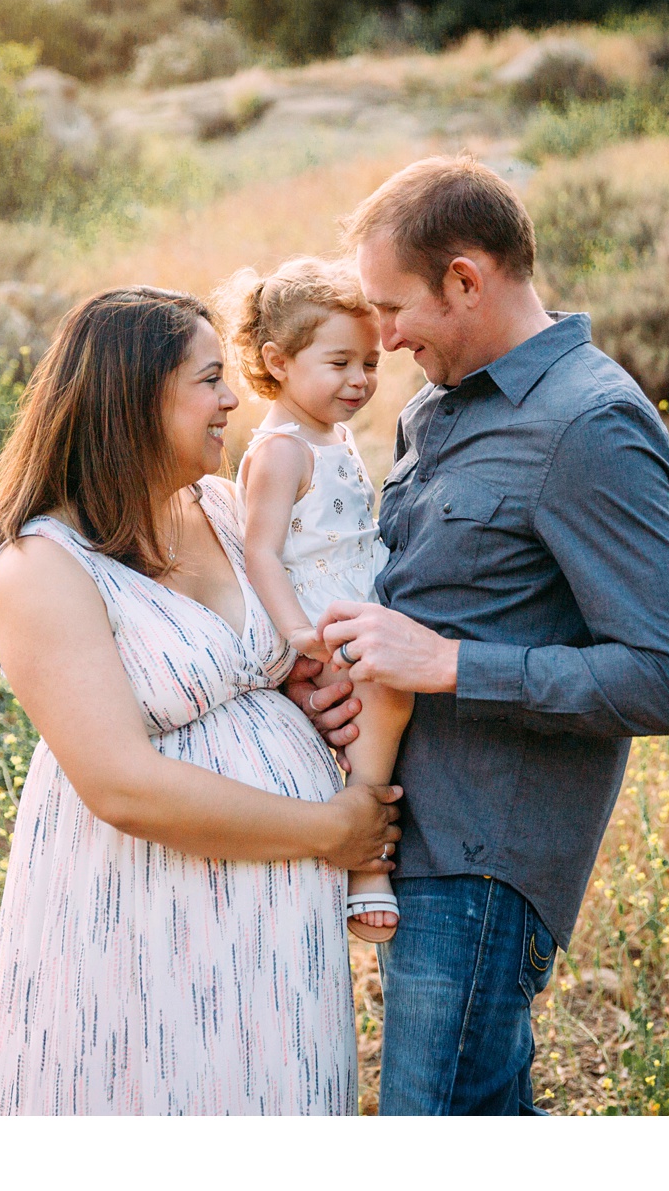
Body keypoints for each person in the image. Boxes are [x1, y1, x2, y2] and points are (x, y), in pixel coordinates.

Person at [286, 155, 669, 1116]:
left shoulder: (591, 425)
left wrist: (445, 665)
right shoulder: (441, 405)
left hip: (485, 859)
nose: (385, 339)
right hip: (411, 833)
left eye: (395, 309)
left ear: (467, 279)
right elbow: (416, 590)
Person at [0, 285, 402, 1115]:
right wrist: (333, 828)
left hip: (279, 926)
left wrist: (313, 698)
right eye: (209, 379)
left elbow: (267, 661)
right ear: (135, 399)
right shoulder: (41, 565)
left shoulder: (217, 504)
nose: (234, 398)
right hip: (146, 912)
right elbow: (120, 784)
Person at [215, 258, 416, 943]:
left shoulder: (331, 432)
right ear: (278, 359)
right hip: (325, 623)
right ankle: (368, 856)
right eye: (339, 362)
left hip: (360, 605)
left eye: (369, 362)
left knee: (398, 692)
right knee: (389, 692)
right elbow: (261, 549)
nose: (360, 379)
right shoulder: (279, 449)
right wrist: (298, 631)